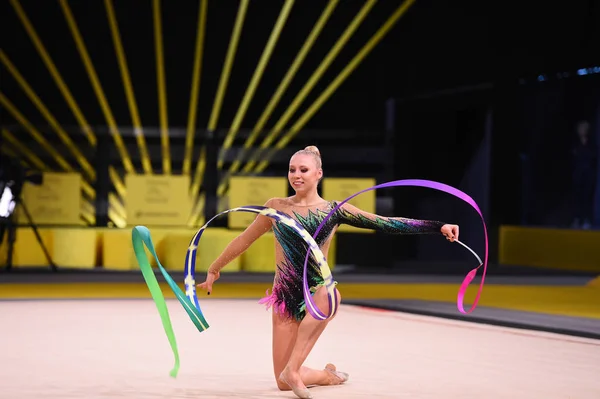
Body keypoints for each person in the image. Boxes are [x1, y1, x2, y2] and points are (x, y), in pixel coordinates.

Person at [197, 145, 460, 398]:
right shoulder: (276, 206)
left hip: (317, 288)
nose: (296, 176)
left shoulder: (333, 209)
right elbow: (245, 239)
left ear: (318, 174)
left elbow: (385, 223)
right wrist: (214, 269)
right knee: (282, 384)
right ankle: (325, 376)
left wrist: (437, 226)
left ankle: (294, 369)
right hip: (286, 295)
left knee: (331, 296)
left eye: (303, 170)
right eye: (292, 170)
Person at [571, 120, 597, 229]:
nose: (581, 131)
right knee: (578, 198)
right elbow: (574, 157)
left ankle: (586, 220)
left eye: (583, 129)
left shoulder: (591, 144)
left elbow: (593, 156)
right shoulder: (575, 144)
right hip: (578, 174)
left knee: (587, 198)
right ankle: (577, 219)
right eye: (580, 129)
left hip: (588, 175)